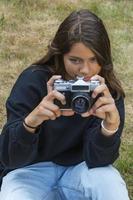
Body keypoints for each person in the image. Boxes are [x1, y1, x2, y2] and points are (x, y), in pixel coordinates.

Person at [0, 9, 130, 200]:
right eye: (74, 60)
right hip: (30, 171)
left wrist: (109, 129)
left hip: (81, 168)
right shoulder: (34, 81)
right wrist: (30, 123)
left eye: (94, 59)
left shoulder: (105, 92)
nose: (85, 70)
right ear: (60, 55)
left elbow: (99, 161)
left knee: (111, 185)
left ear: (104, 58)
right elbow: (10, 158)